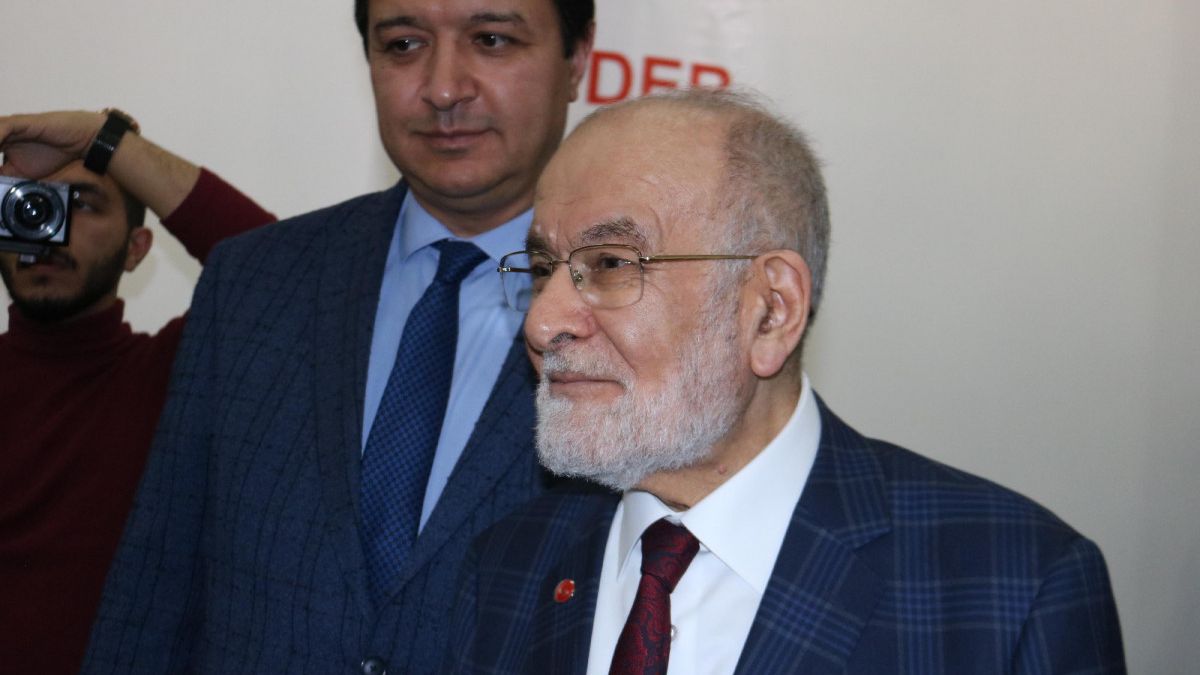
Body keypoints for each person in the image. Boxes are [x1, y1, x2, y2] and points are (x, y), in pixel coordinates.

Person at [444, 89, 1127, 674]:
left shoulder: (1013, 587)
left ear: (770, 310)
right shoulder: (510, 560)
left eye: (612, 264)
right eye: (542, 269)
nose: (543, 321)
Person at [83, 1, 595, 673]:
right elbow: (152, 595)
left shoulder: (640, 311)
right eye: (404, 45)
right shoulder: (252, 283)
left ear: (577, 57)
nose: (444, 88)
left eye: (492, 40)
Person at [0, 109, 274, 675]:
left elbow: (279, 271)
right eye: (29, 204)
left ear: (136, 247)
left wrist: (103, 140)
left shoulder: (174, 376)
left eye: (83, 204)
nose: (49, 226)